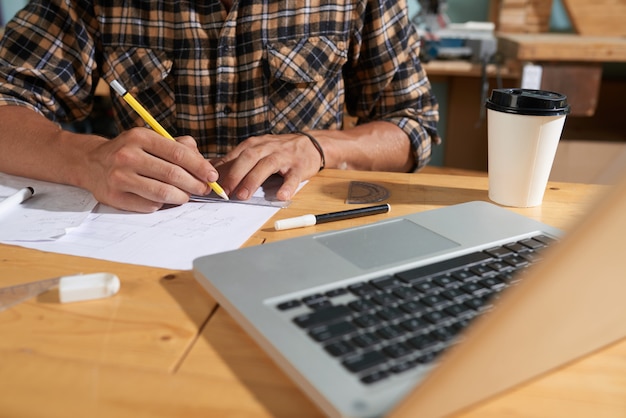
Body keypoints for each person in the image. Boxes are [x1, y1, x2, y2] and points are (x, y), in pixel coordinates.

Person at [0, 0, 439, 213]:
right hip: (148, 235)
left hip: (301, 233)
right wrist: (88, 160)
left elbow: (412, 125)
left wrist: (320, 147)